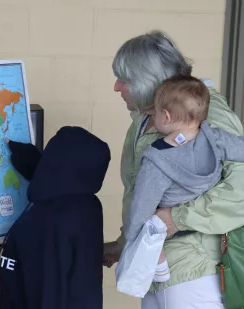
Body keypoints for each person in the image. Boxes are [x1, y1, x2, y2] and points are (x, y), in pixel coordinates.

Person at [103, 30, 244, 309]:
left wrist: (176, 217)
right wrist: (124, 244)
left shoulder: (204, 114)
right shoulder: (147, 118)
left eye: (125, 79)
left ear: (147, 81)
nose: (117, 87)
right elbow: (144, 193)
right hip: (156, 268)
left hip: (194, 271)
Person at [124, 75, 244, 284]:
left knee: (148, 221)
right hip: (200, 222)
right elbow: (239, 148)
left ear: (167, 117)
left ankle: (158, 261)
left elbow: (143, 202)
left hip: (169, 216)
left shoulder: (157, 158)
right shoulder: (214, 138)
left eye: (156, 112)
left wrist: (132, 236)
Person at [0, 126, 110, 309]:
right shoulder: (89, 206)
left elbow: (48, 289)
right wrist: (32, 162)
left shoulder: (43, 222)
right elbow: (62, 180)